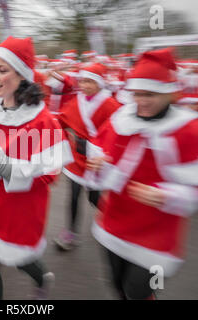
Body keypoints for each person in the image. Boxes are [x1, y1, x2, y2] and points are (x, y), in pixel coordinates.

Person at [86, 48, 198, 300]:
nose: (142, 101)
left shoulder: (188, 128)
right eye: (137, 94)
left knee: (139, 290)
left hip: (157, 231)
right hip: (114, 221)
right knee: (117, 286)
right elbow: (100, 152)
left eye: (150, 94)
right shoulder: (121, 120)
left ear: (169, 93)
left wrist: (167, 195)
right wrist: (98, 166)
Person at [0, 37, 74, 299]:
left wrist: (5, 167)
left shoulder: (44, 121)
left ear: (23, 75)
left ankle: (42, 277)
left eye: (2, 70)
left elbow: (49, 174)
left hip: (19, 211)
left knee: (20, 259)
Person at [54, 63, 121, 251]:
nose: (85, 86)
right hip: (77, 158)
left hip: (97, 159)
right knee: (73, 196)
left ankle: (118, 223)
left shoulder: (110, 105)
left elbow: (118, 133)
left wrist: (98, 149)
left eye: (90, 82)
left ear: (100, 83)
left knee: (94, 198)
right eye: (83, 81)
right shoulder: (77, 101)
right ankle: (71, 233)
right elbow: (61, 120)